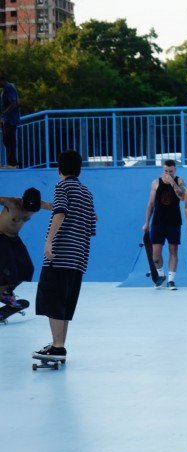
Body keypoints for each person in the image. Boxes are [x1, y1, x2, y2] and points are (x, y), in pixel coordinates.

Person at [33, 150, 97, 362]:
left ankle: (57, 347)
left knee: (52, 299)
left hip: (60, 255)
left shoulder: (62, 186)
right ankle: (58, 345)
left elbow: (60, 211)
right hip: (79, 257)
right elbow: (92, 224)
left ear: (59, 169)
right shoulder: (86, 192)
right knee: (65, 302)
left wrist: (49, 241)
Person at [0, 188, 51, 307]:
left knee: (27, 269)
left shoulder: (40, 204)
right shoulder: (11, 202)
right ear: (22, 199)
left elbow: (58, 208)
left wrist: (85, 211)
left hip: (14, 239)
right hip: (0, 236)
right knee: (9, 272)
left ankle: (5, 292)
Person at [142, 159, 185, 289]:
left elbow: (183, 197)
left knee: (173, 250)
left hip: (174, 221)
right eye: (166, 171)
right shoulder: (156, 183)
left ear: (175, 170)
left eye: (170, 171)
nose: (168, 173)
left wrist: (172, 182)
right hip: (158, 221)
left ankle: (171, 280)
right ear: (163, 170)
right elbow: (150, 204)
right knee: (155, 254)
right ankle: (160, 275)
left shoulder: (179, 181)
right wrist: (146, 223)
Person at [0, 73, 21, 168]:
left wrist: (4, 113)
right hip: (7, 119)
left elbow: (14, 103)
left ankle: (12, 163)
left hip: (11, 119)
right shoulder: (5, 88)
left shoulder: (9, 88)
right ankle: (11, 162)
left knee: (9, 139)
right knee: (7, 139)